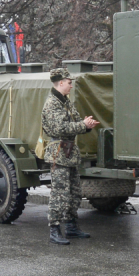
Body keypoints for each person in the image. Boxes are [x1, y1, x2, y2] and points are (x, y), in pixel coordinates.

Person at [41, 67, 100, 245]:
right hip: (59, 153)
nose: (71, 86)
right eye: (69, 83)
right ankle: (55, 229)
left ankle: (72, 227)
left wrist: (86, 124)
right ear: (60, 83)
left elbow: (74, 121)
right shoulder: (52, 103)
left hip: (69, 152)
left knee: (74, 192)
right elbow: (61, 128)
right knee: (59, 193)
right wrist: (82, 125)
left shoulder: (65, 102)